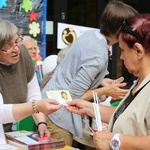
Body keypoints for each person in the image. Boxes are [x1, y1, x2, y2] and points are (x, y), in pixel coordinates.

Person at [41, 1, 138, 145]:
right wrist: (106, 91)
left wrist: (102, 81)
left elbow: (76, 70)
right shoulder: (98, 55)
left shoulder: (92, 34)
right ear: (120, 30)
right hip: (58, 115)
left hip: (50, 102)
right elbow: (73, 96)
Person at [66, 13, 150, 150]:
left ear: (138, 51)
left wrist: (114, 141)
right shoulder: (140, 82)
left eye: (123, 51)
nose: (121, 57)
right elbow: (128, 117)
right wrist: (89, 108)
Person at [0, 18, 53, 138]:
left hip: (10, 134)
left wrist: (41, 123)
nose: (16, 49)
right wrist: (36, 106)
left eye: (16, 41)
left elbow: (33, 94)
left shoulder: (22, 53)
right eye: (8, 46)